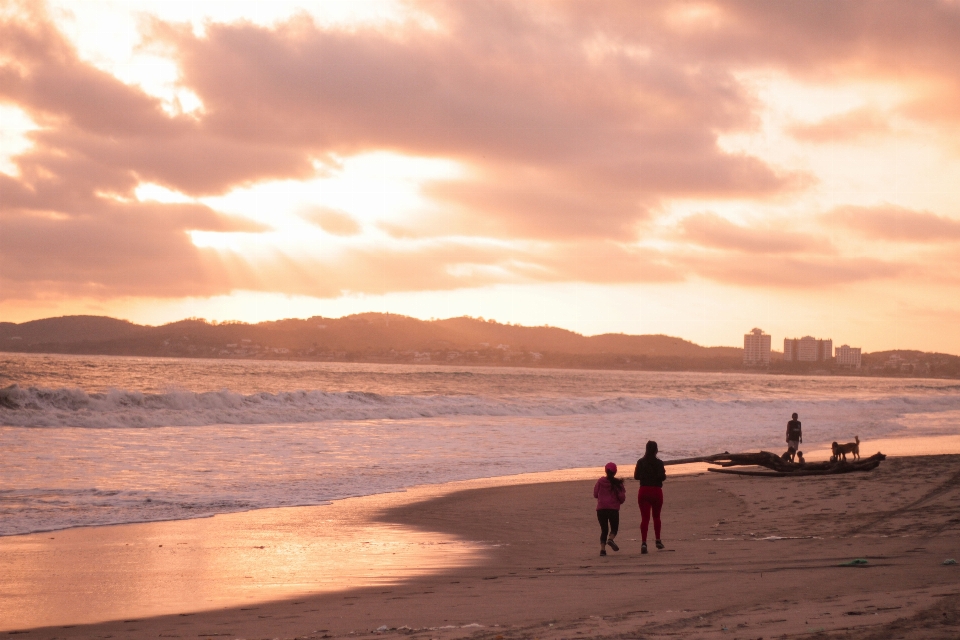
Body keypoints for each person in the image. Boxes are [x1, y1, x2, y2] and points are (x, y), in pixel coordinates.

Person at [634, 440, 666, 554]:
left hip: (644, 490)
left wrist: (645, 475)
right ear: (656, 450)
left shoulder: (641, 462)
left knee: (645, 518)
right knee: (656, 517)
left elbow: (636, 476)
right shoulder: (659, 463)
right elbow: (663, 477)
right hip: (656, 491)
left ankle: (643, 542)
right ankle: (658, 540)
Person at [593, 462, 626, 556]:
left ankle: (602, 550)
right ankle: (610, 539)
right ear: (615, 472)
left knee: (604, 530)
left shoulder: (600, 481)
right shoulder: (618, 483)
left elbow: (595, 494)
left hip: (601, 509)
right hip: (613, 509)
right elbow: (622, 497)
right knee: (614, 528)